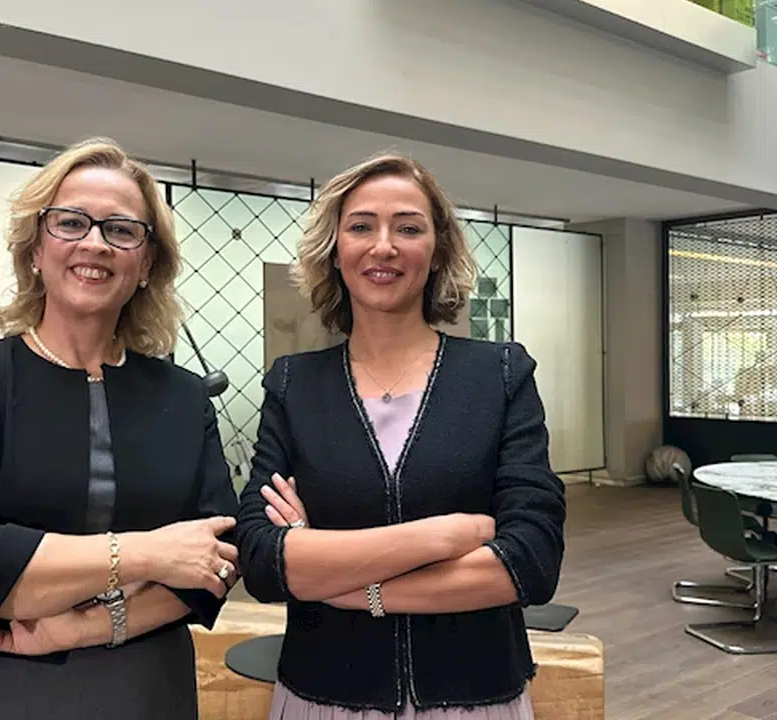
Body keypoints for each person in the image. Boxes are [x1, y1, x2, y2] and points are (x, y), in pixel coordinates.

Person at [0, 138, 240, 720]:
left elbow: (215, 561)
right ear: (36, 247)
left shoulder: (184, 397)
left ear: (146, 264)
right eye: (71, 222)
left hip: (146, 688)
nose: (94, 243)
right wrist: (150, 554)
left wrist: (83, 626)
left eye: (121, 230)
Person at [234, 154, 566, 719]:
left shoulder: (500, 375)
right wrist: (444, 536)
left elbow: (531, 559)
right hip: (324, 696)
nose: (383, 246)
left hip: (475, 698)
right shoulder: (294, 385)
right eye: (361, 226)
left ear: (437, 251)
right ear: (335, 250)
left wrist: (336, 579)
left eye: (408, 228)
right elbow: (262, 560)